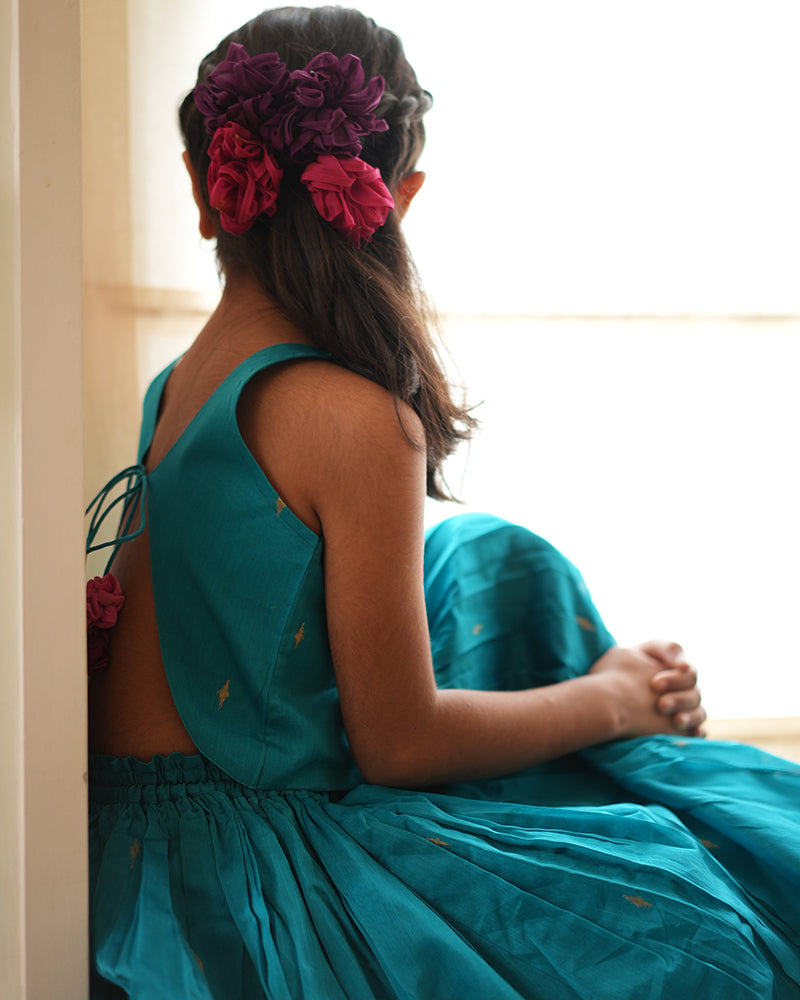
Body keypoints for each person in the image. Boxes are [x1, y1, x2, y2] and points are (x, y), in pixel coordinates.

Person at [86, 7, 800, 998]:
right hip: (237, 862)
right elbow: (398, 742)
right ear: (397, 197)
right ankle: (638, 720)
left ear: (205, 188)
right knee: (689, 923)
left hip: (135, 825)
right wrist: (611, 699)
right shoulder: (356, 416)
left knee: (486, 557)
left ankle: (625, 730)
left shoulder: (177, 384)